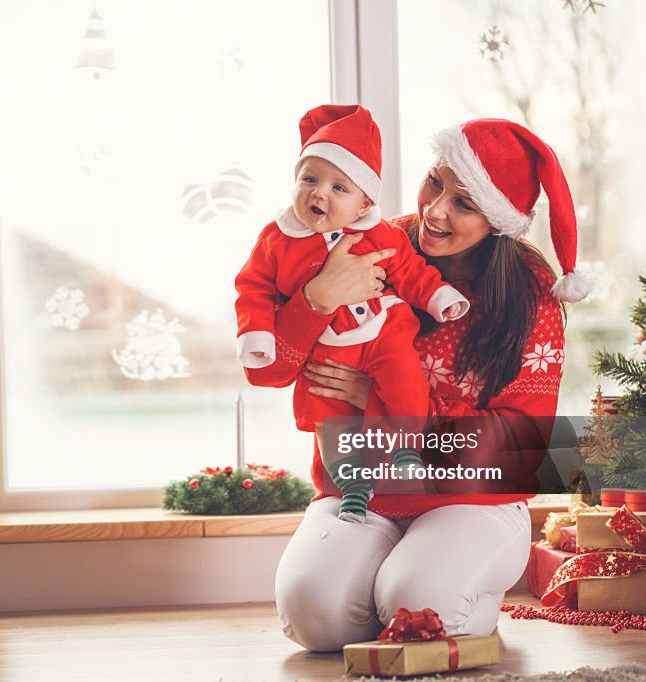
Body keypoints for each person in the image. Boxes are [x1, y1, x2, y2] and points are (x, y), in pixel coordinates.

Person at [245, 118, 592, 651]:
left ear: (499, 219)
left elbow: (520, 442)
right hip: (362, 487)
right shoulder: (367, 241)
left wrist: (380, 401)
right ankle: (403, 588)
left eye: (465, 203)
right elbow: (267, 371)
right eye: (435, 182)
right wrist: (317, 299)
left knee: (415, 598)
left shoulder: (529, 290)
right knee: (313, 615)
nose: (435, 211)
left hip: (474, 498)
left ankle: (448, 588)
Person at [235, 104, 469, 522]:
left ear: (363, 205)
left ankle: (406, 447)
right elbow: (252, 287)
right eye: (309, 179)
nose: (319, 192)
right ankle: (351, 484)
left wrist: (438, 297)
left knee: (403, 378)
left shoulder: (382, 234)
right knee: (326, 412)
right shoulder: (276, 240)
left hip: (383, 332)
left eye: (339, 187)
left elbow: (411, 271)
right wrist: (262, 334)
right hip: (327, 347)